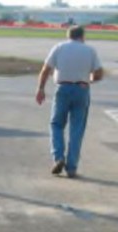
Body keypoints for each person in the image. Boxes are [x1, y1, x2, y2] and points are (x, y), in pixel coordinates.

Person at [35, 25, 104, 179]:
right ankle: (71, 167)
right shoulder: (90, 50)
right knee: (77, 128)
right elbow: (99, 73)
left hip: (63, 87)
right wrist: (88, 80)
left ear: (68, 35)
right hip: (82, 89)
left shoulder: (59, 48)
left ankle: (58, 157)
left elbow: (46, 69)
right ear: (82, 36)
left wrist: (40, 88)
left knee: (57, 124)